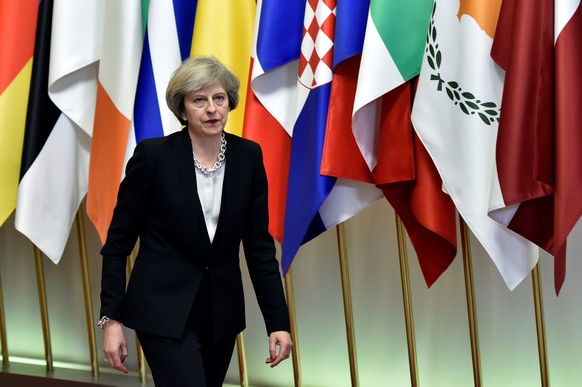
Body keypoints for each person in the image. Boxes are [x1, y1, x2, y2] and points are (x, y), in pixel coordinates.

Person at [98, 55, 292, 386]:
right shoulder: (153, 157)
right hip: (162, 311)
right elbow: (117, 245)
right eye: (199, 100)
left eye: (219, 98)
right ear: (182, 109)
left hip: (221, 315)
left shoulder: (249, 157)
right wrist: (111, 319)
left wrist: (278, 321)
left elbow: (259, 248)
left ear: (229, 102)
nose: (212, 109)